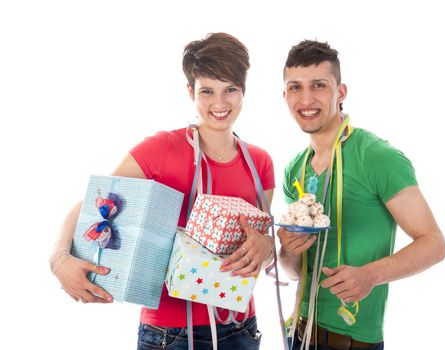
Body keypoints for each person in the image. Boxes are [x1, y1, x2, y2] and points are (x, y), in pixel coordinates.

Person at [49, 32, 275, 350]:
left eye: (230, 90)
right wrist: (59, 259)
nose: (220, 103)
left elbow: (263, 247)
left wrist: (266, 247)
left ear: (243, 91)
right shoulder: (161, 149)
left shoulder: (259, 162)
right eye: (207, 91)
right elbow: (95, 202)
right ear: (190, 91)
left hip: (240, 329)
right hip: (169, 334)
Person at [277, 39, 445, 350]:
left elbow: (434, 244)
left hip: (354, 340)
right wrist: (288, 250)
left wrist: (371, 274)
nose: (306, 98)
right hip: (299, 334)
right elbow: (295, 270)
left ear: (340, 93)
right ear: (284, 95)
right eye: (295, 87)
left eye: (319, 85)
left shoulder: (377, 157)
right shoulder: (295, 171)